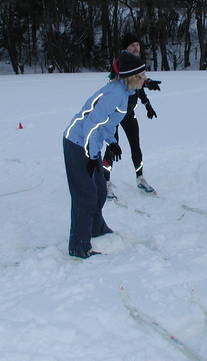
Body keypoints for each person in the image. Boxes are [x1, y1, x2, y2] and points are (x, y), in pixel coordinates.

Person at [63, 51, 147, 258]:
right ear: (131, 77)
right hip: (77, 143)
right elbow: (91, 125)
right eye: (141, 75)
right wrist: (92, 157)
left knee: (100, 190)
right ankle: (78, 245)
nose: (145, 79)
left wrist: (112, 142)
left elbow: (106, 123)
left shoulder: (124, 93)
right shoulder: (116, 94)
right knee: (86, 195)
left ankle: (95, 227)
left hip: (90, 143)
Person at [102, 33, 161, 199]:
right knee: (113, 148)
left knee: (136, 145)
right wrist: (146, 82)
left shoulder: (136, 65)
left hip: (128, 114)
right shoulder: (122, 64)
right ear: (125, 49)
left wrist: (148, 105)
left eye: (137, 44)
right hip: (113, 115)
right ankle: (105, 181)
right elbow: (129, 81)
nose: (136, 47)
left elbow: (138, 85)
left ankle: (140, 178)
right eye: (132, 45)